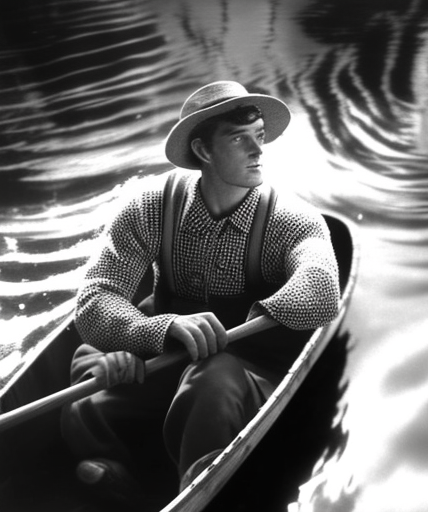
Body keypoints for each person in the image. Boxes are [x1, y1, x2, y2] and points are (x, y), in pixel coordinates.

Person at [61, 81, 340, 504]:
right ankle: (123, 484)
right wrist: (152, 331)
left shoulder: (292, 218)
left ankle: (194, 491)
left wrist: (244, 326)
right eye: (239, 139)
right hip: (172, 352)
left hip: (249, 367)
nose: (258, 151)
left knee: (211, 381)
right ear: (204, 151)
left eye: (260, 136)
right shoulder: (150, 208)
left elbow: (321, 289)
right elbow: (95, 301)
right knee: (88, 400)